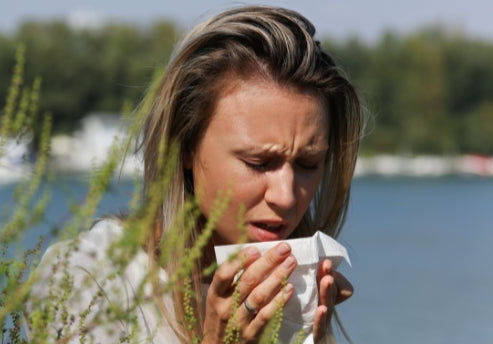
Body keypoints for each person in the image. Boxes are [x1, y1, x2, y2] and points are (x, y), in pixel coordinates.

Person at [25, 5, 364, 343]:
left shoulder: (296, 289)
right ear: (184, 146)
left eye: (308, 164)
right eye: (258, 162)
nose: (286, 196)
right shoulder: (85, 279)